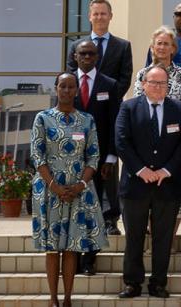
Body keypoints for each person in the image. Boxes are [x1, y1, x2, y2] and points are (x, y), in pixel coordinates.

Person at [30, 72, 108, 307]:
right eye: (62, 86)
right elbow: (37, 156)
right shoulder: (42, 118)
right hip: (50, 191)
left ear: (76, 90)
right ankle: (52, 301)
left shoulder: (86, 120)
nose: (66, 90)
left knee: (73, 248)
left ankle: (67, 300)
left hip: (78, 192)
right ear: (55, 89)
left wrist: (80, 184)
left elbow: (94, 156)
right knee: (53, 249)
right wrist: (54, 186)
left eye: (71, 86)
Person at [115, 66, 181, 300]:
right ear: (144, 83)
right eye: (154, 82)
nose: (158, 87)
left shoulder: (179, 110)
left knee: (163, 237)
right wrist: (141, 170)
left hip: (166, 186)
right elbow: (121, 141)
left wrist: (166, 170)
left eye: (163, 83)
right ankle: (132, 282)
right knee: (135, 236)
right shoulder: (129, 107)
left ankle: (159, 283)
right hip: (135, 185)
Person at [69, 40, 123, 276]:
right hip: (69, 158)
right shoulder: (66, 83)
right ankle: (72, 254)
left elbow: (115, 123)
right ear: (75, 56)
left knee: (95, 210)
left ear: (98, 56)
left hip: (100, 161)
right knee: (73, 208)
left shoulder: (109, 85)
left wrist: (111, 157)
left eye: (92, 53)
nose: (87, 57)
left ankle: (90, 257)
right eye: (83, 53)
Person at [68, 0, 133, 97]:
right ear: (90, 17)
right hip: (81, 104)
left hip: (110, 106)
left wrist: (107, 98)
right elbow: (71, 75)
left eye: (103, 14)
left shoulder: (123, 46)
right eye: (95, 14)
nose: (99, 17)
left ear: (110, 16)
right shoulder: (76, 46)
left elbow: (125, 79)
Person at [132, 27, 181, 120]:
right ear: (152, 48)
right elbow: (138, 105)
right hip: (147, 127)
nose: (162, 47)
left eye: (166, 44)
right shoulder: (142, 74)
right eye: (159, 43)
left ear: (173, 48)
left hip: (175, 127)